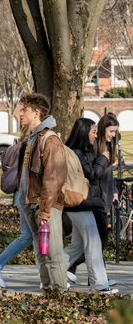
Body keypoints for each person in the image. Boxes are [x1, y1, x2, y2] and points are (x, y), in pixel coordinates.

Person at [17, 92, 69, 291]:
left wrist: (45, 211)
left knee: (53, 254)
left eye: (24, 110)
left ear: (36, 113)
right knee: (42, 253)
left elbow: (54, 179)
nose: (20, 114)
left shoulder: (50, 139)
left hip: (46, 207)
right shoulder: (32, 138)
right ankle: (48, 295)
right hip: (32, 205)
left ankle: (59, 296)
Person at [61, 118, 116, 293]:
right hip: (80, 205)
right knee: (93, 244)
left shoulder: (82, 151)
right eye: (93, 131)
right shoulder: (76, 153)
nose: (95, 134)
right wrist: (102, 159)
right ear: (85, 132)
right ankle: (99, 285)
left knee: (77, 246)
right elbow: (92, 175)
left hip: (82, 205)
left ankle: (50, 274)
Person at [0, 126, 35, 288]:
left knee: (30, 236)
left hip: (22, 195)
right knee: (34, 236)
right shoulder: (27, 149)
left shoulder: (21, 146)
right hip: (26, 197)